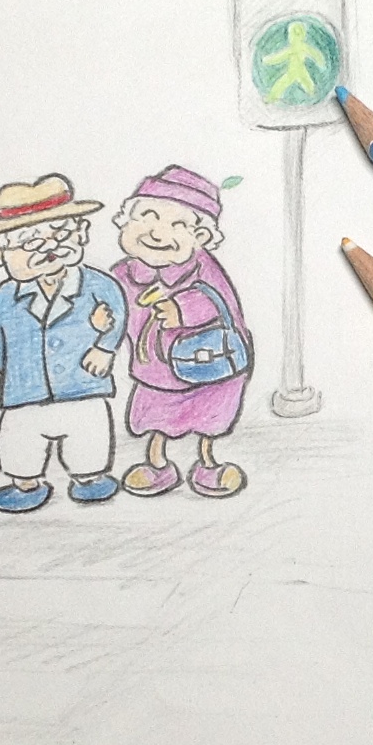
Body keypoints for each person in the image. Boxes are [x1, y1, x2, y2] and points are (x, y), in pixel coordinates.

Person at [0, 174, 126, 514]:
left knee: (88, 436)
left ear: (81, 234)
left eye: (60, 235)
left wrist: (105, 346)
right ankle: (26, 484)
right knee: (20, 441)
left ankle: (89, 478)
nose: (48, 249)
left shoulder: (97, 284)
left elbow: (118, 312)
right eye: (30, 242)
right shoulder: (5, 298)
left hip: (83, 385)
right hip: (24, 390)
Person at [110, 166, 253, 498]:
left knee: (208, 417)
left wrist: (183, 309)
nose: (157, 233)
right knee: (157, 415)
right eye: (147, 216)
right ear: (127, 220)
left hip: (209, 364)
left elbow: (220, 300)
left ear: (200, 236)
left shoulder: (203, 266)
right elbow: (111, 303)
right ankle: (157, 465)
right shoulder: (124, 273)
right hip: (155, 369)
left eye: (177, 224)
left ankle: (208, 464)